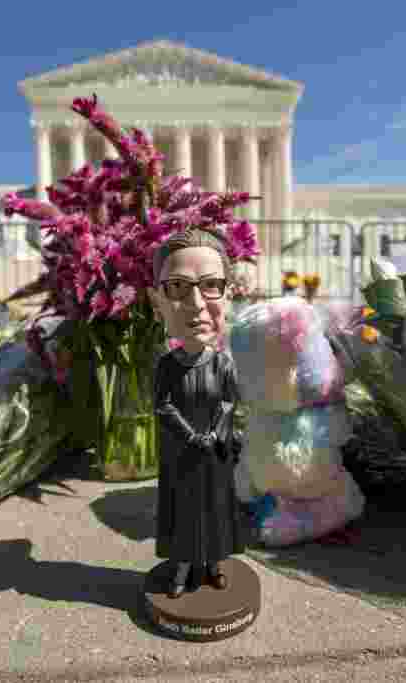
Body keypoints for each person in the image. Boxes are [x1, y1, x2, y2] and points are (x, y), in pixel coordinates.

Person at [147, 227, 244, 599]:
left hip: (215, 454)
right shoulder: (166, 366)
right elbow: (163, 406)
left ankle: (216, 563)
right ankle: (181, 569)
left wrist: (215, 433)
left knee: (217, 511)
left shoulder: (222, 364)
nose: (196, 304)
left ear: (228, 295)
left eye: (210, 286)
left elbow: (228, 402)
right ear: (157, 303)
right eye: (177, 287)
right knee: (184, 514)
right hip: (181, 457)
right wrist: (191, 437)